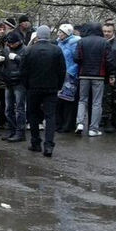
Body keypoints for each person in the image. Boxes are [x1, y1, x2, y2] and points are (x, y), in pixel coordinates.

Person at [21, 26, 66, 157]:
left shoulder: (29, 50)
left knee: (33, 115)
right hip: (51, 88)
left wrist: (26, 85)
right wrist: (59, 85)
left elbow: (23, 70)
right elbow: (62, 70)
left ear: (37, 36)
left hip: (33, 88)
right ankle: (49, 145)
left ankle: (35, 143)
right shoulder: (56, 50)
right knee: (50, 116)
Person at [75, 23, 108, 137]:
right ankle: (93, 129)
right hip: (99, 75)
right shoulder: (104, 42)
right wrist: (111, 73)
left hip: (83, 74)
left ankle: (80, 123)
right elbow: (109, 59)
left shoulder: (81, 41)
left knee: (82, 100)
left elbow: (76, 58)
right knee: (97, 102)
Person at [0, 31, 26, 142]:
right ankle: (12, 130)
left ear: (18, 42)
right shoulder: (6, 49)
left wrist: (18, 58)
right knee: (8, 109)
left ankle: (20, 132)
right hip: (8, 82)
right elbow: (3, 65)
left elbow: (27, 66)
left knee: (19, 109)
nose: (10, 45)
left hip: (19, 83)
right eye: (8, 43)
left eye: (12, 44)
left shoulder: (25, 50)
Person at [56, 24, 81, 133]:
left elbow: (77, 60)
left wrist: (71, 72)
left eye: (61, 32)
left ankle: (68, 125)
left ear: (67, 33)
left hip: (70, 76)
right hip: (60, 75)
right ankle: (59, 124)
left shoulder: (74, 43)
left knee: (69, 101)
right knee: (60, 100)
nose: (58, 34)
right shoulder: (59, 42)